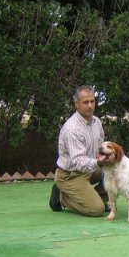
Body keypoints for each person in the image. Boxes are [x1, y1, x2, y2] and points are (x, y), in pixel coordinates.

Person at [49, 85, 110, 216]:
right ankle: (62, 197)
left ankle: (102, 199)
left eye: (92, 101)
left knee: (113, 170)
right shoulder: (72, 129)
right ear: (76, 104)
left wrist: (109, 158)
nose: (90, 106)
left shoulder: (97, 122)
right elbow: (78, 161)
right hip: (71, 175)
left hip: (89, 169)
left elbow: (100, 147)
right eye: (85, 102)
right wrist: (99, 163)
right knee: (96, 210)